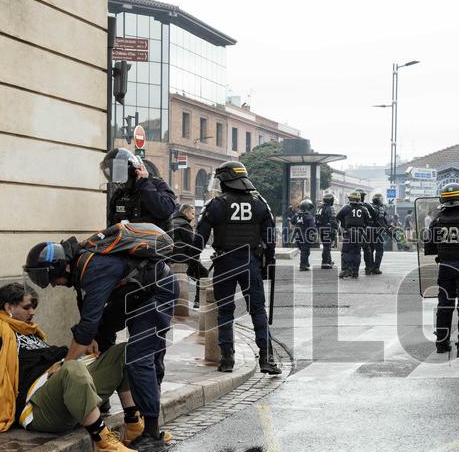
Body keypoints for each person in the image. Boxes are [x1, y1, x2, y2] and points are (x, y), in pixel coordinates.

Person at [23, 230, 176, 452]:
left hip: (156, 293)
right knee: (104, 339)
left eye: (52, 280)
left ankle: (151, 434)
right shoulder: (79, 264)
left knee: (137, 358)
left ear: (58, 269)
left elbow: (86, 327)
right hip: (133, 294)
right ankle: (108, 407)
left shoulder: (94, 268)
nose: (53, 286)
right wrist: (94, 337)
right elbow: (87, 311)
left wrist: (67, 363)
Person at [0, 283, 142, 452]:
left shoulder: (32, 333)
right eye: (27, 307)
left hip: (64, 392)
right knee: (72, 368)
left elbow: (54, 358)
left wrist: (78, 355)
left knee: (124, 352)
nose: (32, 312)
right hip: (38, 409)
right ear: (9, 307)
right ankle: (104, 444)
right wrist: (8, 409)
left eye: (34, 307)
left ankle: (133, 424)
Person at [193, 160, 281, 374]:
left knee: (225, 312)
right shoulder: (260, 203)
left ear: (225, 180)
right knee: (258, 310)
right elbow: (270, 239)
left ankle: (227, 359)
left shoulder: (216, 204)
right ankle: (266, 358)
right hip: (250, 262)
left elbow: (199, 239)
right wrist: (267, 263)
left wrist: (193, 262)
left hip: (224, 263)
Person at [423, 183, 459, 357]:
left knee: (444, 305)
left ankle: (441, 344)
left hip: (445, 267)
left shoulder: (436, 221)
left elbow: (429, 248)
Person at [102, 148, 178, 230]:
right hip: (128, 242)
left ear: (133, 170)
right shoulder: (119, 194)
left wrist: (144, 183)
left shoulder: (158, 185)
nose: (116, 177)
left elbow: (165, 210)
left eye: (119, 171)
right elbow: (111, 225)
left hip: (156, 241)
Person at [336, 191, 370, 279]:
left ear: (350, 198)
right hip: (360, 233)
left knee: (346, 252)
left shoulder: (346, 208)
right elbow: (368, 221)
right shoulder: (364, 209)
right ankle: (355, 271)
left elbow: (338, 217)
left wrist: (342, 227)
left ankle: (345, 270)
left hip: (349, 232)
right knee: (356, 252)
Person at [369, 192, 392, 274]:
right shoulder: (381, 208)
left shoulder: (369, 207)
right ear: (379, 200)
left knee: (370, 250)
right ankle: (376, 268)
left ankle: (370, 267)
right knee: (380, 249)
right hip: (377, 232)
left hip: (368, 232)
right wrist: (387, 227)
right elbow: (382, 221)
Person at [315, 192, 339, 269]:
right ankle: (325, 262)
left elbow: (316, 219)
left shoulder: (319, 207)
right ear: (331, 201)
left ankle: (328, 261)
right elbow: (333, 220)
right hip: (328, 229)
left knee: (326, 245)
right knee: (327, 246)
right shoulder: (330, 208)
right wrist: (337, 228)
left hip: (320, 229)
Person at [293, 199, 317, 271]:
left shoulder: (297, 214)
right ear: (307, 207)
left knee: (304, 250)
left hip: (297, 235)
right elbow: (312, 227)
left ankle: (306, 264)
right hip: (305, 236)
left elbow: (292, 221)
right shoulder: (308, 216)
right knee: (305, 251)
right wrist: (314, 235)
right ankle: (303, 265)